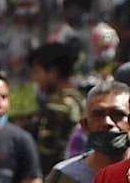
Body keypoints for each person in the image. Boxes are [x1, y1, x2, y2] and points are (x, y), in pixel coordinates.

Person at [26, 42, 85, 172]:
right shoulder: (80, 99)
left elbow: (46, 153)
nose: (35, 78)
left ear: (53, 72)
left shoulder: (57, 106)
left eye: (37, 72)